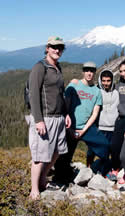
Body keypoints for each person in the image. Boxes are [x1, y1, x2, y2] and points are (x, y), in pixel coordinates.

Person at [27, 36, 70, 199]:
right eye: (54, 47)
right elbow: (34, 94)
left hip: (58, 117)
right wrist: (38, 119)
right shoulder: (40, 67)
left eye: (60, 47)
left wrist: (65, 114)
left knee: (58, 151)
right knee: (39, 155)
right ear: (47, 48)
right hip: (44, 117)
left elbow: (60, 94)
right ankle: (34, 189)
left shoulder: (57, 67)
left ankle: (43, 178)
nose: (57, 50)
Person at [54, 62, 109, 183]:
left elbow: (95, 113)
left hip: (86, 128)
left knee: (104, 145)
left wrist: (84, 129)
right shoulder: (74, 85)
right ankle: (60, 177)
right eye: (87, 70)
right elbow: (65, 105)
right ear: (83, 72)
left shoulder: (96, 91)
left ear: (94, 73)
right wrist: (70, 129)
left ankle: (101, 171)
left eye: (92, 71)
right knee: (64, 155)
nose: (89, 73)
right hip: (70, 126)